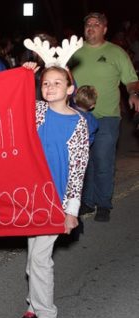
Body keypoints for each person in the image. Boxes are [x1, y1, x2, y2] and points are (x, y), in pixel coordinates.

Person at [17, 63, 89, 318]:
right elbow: (14, 100)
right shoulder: (37, 111)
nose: (49, 88)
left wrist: (71, 211)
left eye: (57, 83)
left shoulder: (78, 123)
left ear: (70, 89)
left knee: (40, 259)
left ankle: (48, 314)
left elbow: (78, 168)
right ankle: (34, 305)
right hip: (32, 197)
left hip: (55, 200)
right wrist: (24, 74)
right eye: (45, 83)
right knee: (33, 256)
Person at [71, 12, 139, 222]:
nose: (91, 27)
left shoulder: (116, 52)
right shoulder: (74, 53)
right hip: (77, 116)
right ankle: (87, 201)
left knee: (102, 159)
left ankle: (103, 203)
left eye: (96, 24)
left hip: (107, 116)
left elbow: (131, 80)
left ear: (105, 29)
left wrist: (134, 94)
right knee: (84, 162)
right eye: (88, 24)